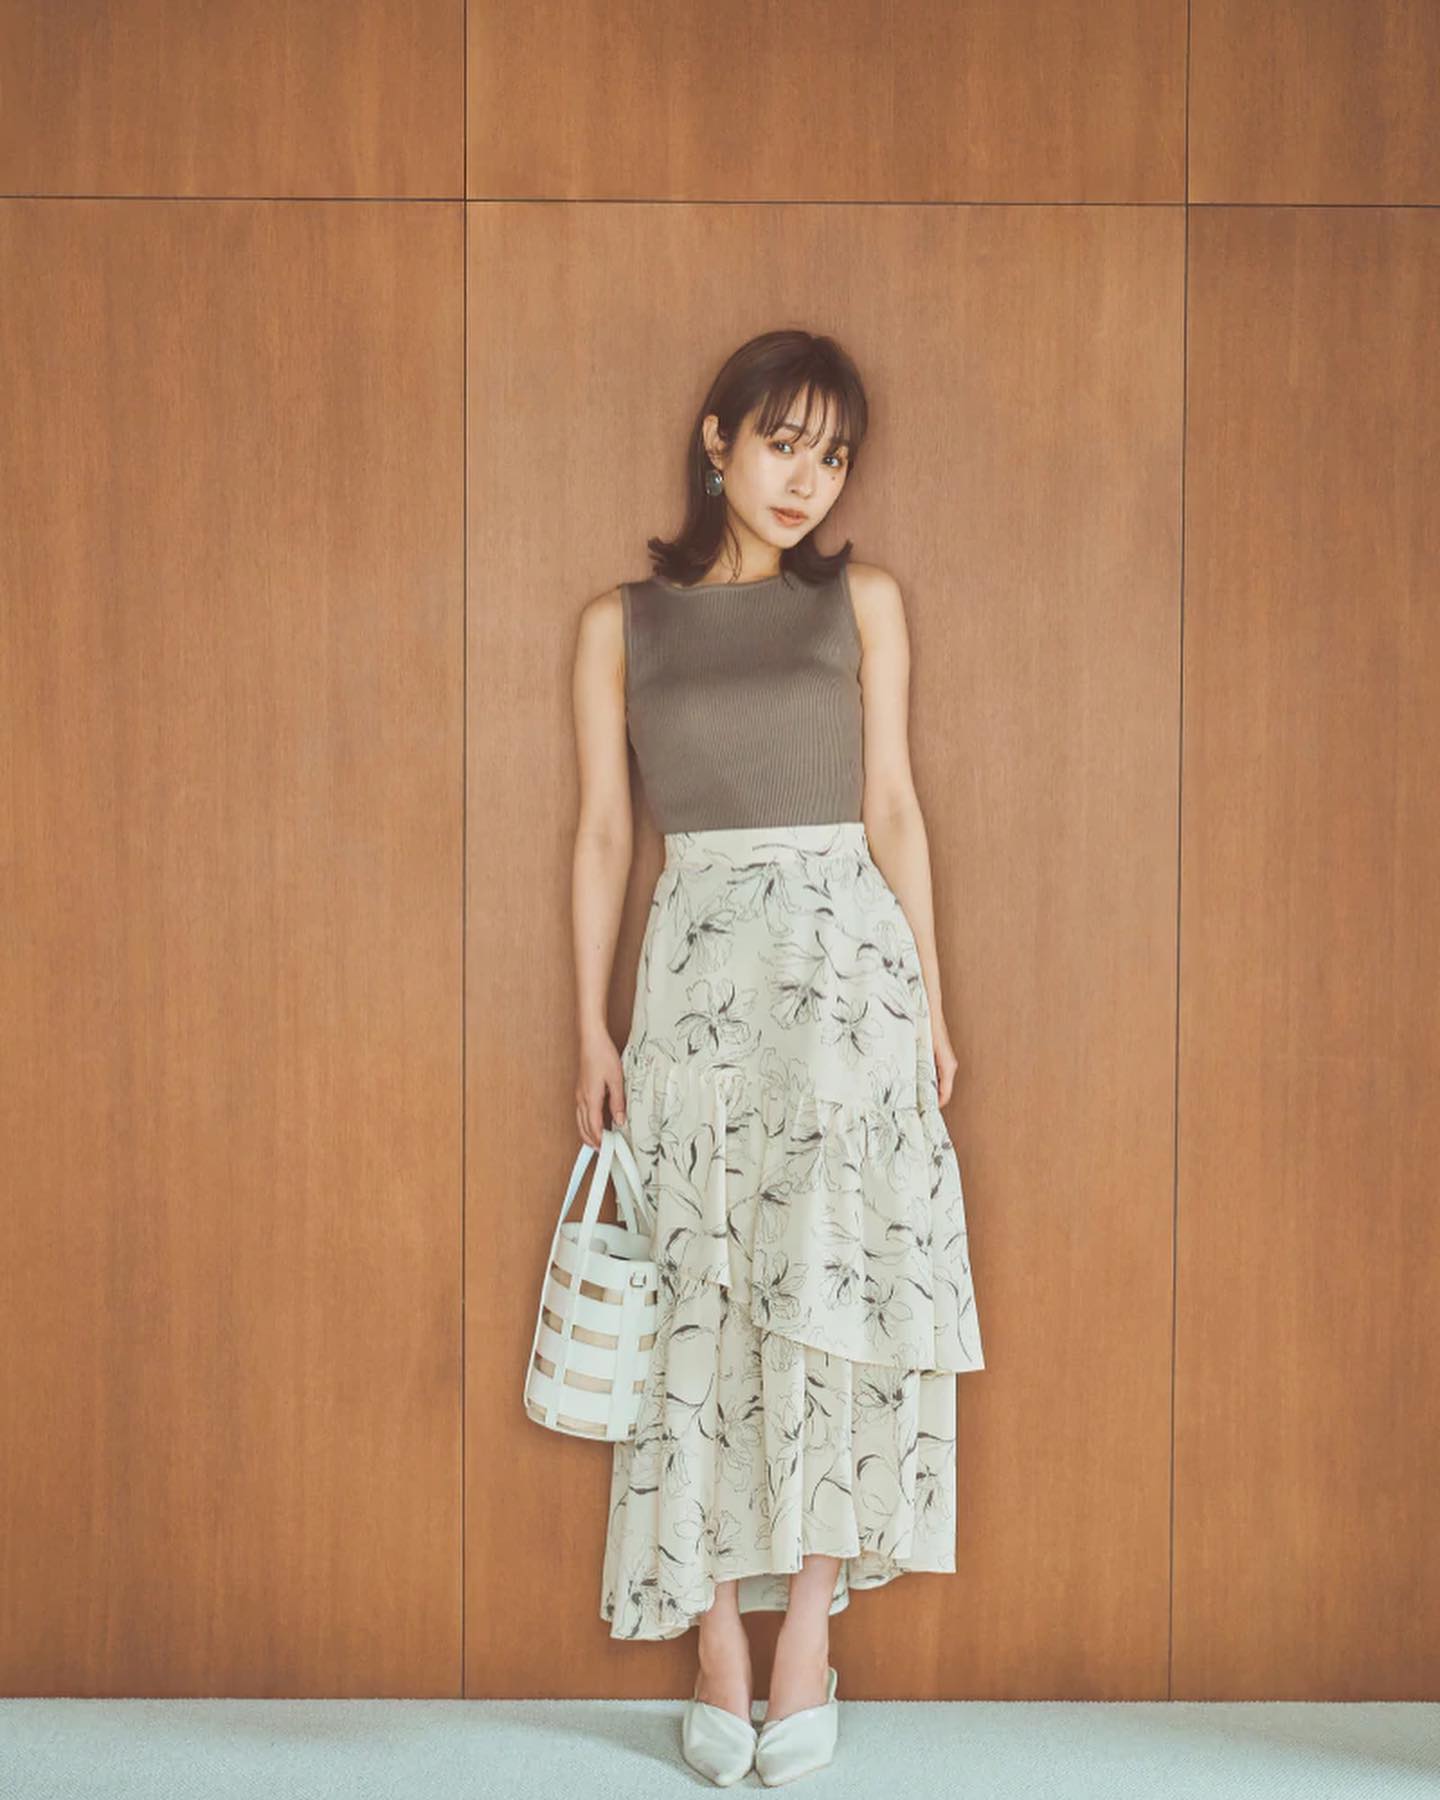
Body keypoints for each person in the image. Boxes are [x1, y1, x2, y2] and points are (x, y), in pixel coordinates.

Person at [569, 329, 985, 1783]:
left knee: (828, 1282)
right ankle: (713, 1640)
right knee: (699, 1286)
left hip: (844, 975)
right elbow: (606, 832)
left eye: (833, 456)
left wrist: (931, 1001)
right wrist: (590, 1022)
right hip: (695, 969)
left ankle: (805, 1632)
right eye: (783, 444)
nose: (808, 480)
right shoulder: (621, 623)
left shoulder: (863, 602)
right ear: (717, 442)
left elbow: (894, 804)